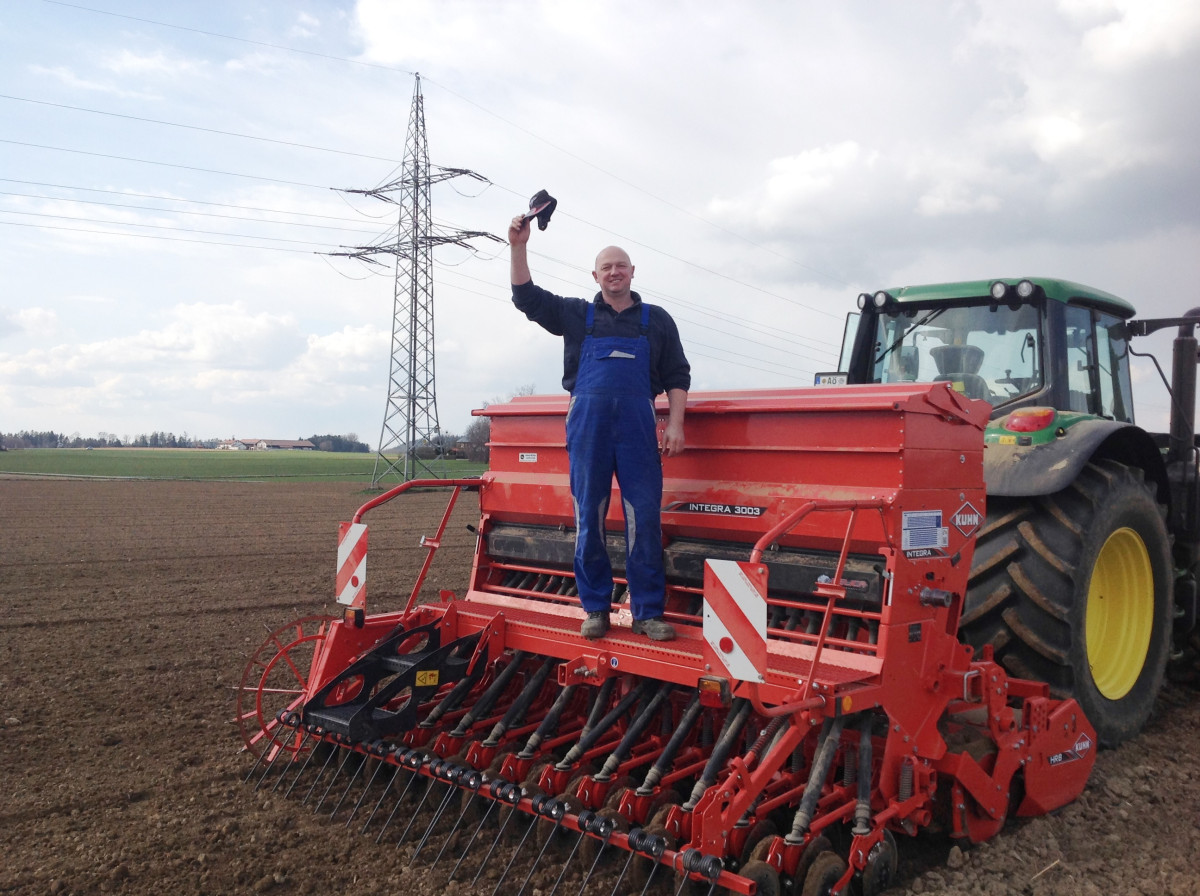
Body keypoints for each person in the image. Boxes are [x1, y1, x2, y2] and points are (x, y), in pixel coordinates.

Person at [508, 213, 690, 642]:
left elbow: (678, 375)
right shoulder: (577, 315)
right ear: (596, 274)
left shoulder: (656, 320)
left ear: (632, 272)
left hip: (638, 428)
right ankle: (595, 608)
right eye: (606, 267)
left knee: (642, 518)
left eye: (621, 265)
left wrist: (677, 425)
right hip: (587, 427)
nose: (614, 272)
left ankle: (647, 612)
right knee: (588, 517)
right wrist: (518, 246)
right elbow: (526, 298)